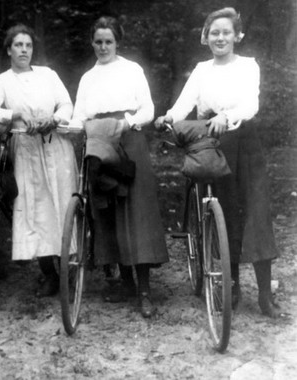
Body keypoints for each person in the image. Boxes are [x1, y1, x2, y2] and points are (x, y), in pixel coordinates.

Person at [155, 7, 283, 318]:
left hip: (245, 142)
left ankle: (265, 294)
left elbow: (250, 103)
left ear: (237, 35)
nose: (220, 37)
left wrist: (229, 116)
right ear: (206, 37)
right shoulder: (201, 70)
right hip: (211, 146)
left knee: (256, 211)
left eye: (226, 32)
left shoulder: (248, 66)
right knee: (223, 212)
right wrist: (168, 117)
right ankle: (232, 286)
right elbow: (185, 104)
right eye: (214, 33)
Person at [72, 16, 168, 318]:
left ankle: (143, 290)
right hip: (99, 142)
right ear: (92, 43)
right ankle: (125, 284)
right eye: (98, 41)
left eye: (108, 41)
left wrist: (125, 123)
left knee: (136, 213)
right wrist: (61, 126)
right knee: (108, 211)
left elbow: (148, 109)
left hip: (129, 139)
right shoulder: (88, 78)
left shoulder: (131, 70)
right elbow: (78, 116)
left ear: (117, 42)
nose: (103, 47)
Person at [0, 24, 78, 297]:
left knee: (61, 205)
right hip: (25, 150)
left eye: (28, 45)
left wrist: (54, 119)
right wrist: (15, 114)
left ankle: (69, 269)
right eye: (18, 45)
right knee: (34, 212)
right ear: (9, 49)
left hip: (56, 147)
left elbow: (66, 105)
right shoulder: (2, 81)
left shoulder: (48, 75)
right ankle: (49, 273)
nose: (24, 50)